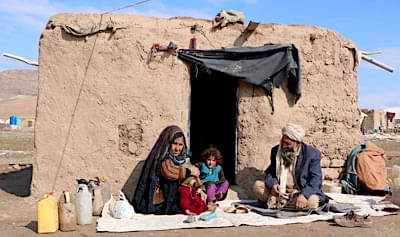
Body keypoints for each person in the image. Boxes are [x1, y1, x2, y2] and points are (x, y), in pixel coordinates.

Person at [253, 123, 327, 209]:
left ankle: (278, 203)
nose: (284, 146)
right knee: (257, 186)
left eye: (288, 144)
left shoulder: (312, 154)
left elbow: (316, 180)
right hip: (280, 192)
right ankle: (284, 204)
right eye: (282, 142)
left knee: (312, 202)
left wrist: (304, 195)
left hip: (299, 191)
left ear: (298, 143)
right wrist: (273, 185)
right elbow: (271, 172)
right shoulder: (276, 150)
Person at [132, 125, 200, 214]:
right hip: (160, 199)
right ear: (168, 143)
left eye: (180, 145)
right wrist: (190, 171)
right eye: (174, 144)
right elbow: (169, 172)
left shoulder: (182, 158)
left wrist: (199, 187)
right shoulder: (163, 157)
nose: (177, 148)